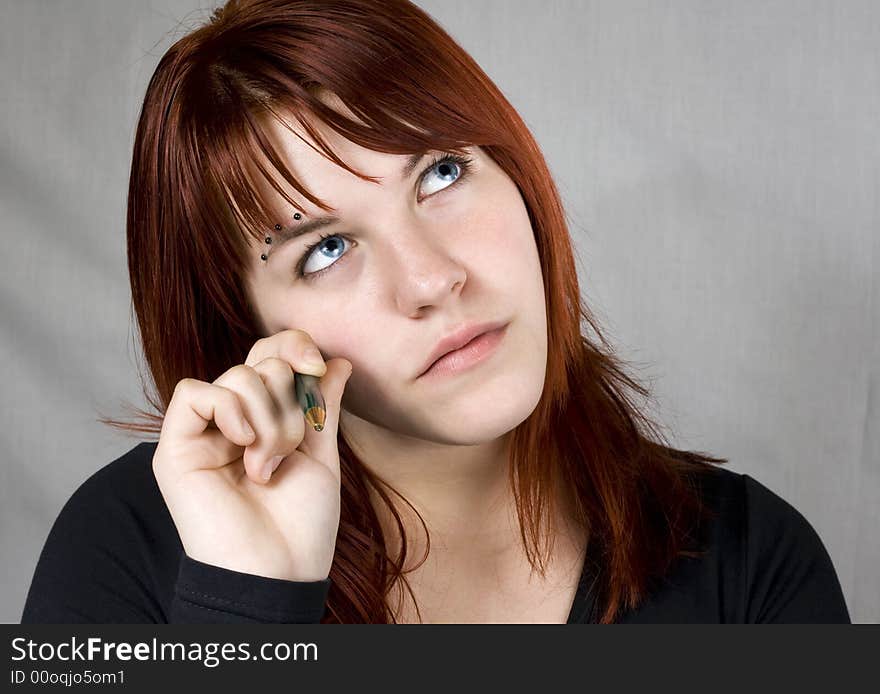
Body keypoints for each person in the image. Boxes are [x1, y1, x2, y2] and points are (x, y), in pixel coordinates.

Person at [21, 0, 849, 624]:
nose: (430, 279)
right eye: (325, 249)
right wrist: (249, 604)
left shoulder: (750, 564)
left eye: (442, 175)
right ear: (248, 329)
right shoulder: (127, 549)